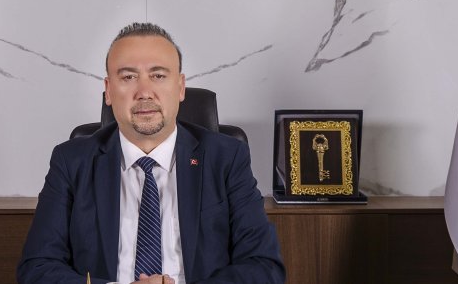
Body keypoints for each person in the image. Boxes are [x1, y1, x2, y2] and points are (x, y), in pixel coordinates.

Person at [18, 23, 285, 284]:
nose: (144, 92)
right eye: (128, 77)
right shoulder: (71, 161)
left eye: (158, 75)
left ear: (180, 88)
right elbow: (37, 268)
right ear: (109, 91)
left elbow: (264, 267)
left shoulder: (226, 158)